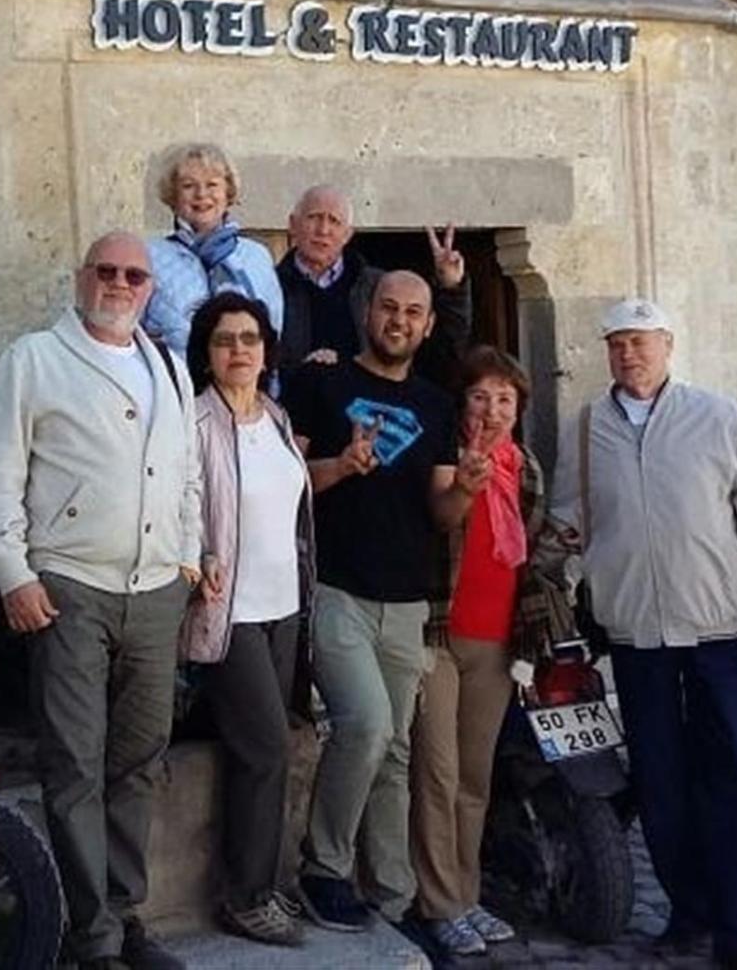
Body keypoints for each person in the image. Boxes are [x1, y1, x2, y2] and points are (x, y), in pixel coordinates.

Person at [0, 231, 199, 970]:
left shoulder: (170, 367)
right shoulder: (34, 359)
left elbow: (188, 477)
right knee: (74, 767)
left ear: (150, 289)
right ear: (81, 277)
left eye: (135, 275)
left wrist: (188, 559)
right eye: (107, 271)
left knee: (138, 763)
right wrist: (14, 572)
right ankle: (93, 938)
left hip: (156, 593)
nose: (120, 284)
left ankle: (125, 917)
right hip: (70, 588)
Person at [549, 299, 737, 970]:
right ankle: (690, 911)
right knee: (661, 784)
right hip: (636, 639)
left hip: (714, 634)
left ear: (667, 345)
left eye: (640, 342)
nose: (628, 354)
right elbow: (569, 520)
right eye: (617, 344)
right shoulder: (586, 430)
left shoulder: (717, 418)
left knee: (736, 779)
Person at [283, 271, 488, 933]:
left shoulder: (434, 405)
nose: (399, 320)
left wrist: (467, 490)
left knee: (396, 751)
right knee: (366, 725)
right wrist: (343, 465)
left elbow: (440, 511)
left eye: (413, 312)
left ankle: (393, 897)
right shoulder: (323, 384)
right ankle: (324, 868)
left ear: (428, 326)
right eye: (389, 307)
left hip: (406, 601)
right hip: (336, 588)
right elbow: (287, 482)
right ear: (368, 312)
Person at [410, 345, 574, 957]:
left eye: (505, 399)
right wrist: (464, 486)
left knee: (475, 778)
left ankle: (467, 894)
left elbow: (527, 553)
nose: (493, 409)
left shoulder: (525, 469)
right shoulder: (443, 456)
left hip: (499, 639)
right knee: (437, 773)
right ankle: (437, 902)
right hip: (437, 632)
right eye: (481, 396)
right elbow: (435, 521)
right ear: (462, 402)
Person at [178, 290, 314, 948]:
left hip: (283, 608)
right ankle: (247, 896)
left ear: (267, 351)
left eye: (250, 338)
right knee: (266, 749)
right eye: (225, 339)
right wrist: (195, 553)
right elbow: (175, 502)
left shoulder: (277, 418)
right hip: (227, 612)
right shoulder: (195, 423)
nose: (239, 349)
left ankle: (259, 881)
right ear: (206, 353)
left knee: (256, 750)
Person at [275, 184, 471, 381]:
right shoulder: (272, 287)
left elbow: (440, 353)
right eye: (314, 217)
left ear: (348, 234)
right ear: (293, 224)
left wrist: (451, 288)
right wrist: (304, 371)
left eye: (334, 221)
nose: (323, 230)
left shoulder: (378, 286)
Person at [143, 142, 283, 357]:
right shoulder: (150, 256)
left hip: (243, 375)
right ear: (173, 196)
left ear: (228, 192)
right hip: (177, 376)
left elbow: (272, 332)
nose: (201, 194)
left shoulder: (256, 257)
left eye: (212, 185)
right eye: (188, 186)